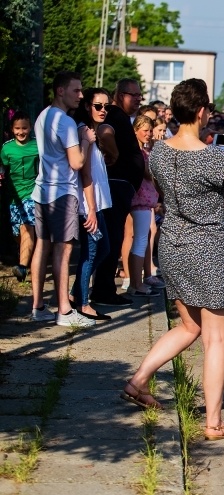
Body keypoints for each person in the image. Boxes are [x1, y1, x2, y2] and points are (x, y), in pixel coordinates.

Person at [121, 78, 224, 441]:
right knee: (215, 339)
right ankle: (214, 423)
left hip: (172, 246)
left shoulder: (159, 151)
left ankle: (138, 380)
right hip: (206, 250)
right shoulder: (213, 157)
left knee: (190, 327)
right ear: (202, 112)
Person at [30, 71, 96, 327]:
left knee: (42, 246)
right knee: (63, 249)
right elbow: (77, 162)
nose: (80, 95)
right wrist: (86, 141)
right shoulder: (66, 122)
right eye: (76, 90)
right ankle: (65, 311)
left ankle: (38, 306)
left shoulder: (43, 115)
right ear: (60, 90)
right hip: (62, 192)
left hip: (42, 191)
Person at [92, 78, 145, 308]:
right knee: (113, 238)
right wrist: (113, 155)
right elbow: (105, 133)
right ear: (121, 95)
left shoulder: (121, 116)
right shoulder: (114, 114)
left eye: (140, 95)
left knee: (113, 237)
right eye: (134, 95)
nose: (138, 99)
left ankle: (103, 289)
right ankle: (103, 291)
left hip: (121, 186)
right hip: (117, 185)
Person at [69, 88, 113, 321]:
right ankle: (83, 304)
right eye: (98, 106)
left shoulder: (92, 133)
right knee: (91, 252)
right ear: (87, 106)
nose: (103, 110)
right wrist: (91, 211)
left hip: (97, 204)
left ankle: (76, 293)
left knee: (103, 249)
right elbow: (85, 174)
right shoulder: (83, 132)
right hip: (89, 205)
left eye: (106, 106)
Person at [1, 112, 38, 282]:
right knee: (17, 232)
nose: (21, 132)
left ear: (30, 128)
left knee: (27, 227)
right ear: (12, 129)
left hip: (32, 194)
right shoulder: (7, 148)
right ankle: (26, 254)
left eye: (24, 128)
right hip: (14, 197)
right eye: (17, 128)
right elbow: (2, 167)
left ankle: (22, 267)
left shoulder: (37, 145)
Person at [127, 115, 161, 296]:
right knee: (140, 240)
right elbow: (148, 174)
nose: (148, 134)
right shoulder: (137, 153)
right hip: (140, 200)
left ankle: (136, 282)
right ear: (135, 131)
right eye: (145, 131)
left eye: (150, 131)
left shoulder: (143, 151)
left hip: (145, 200)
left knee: (142, 238)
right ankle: (136, 284)